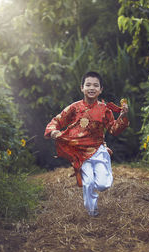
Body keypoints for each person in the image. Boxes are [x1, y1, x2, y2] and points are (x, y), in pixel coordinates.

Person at [44, 71, 129, 216]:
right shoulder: (74, 108)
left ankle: (104, 157)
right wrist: (53, 132)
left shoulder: (105, 109)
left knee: (103, 184)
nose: (91, 88)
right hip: (80, 154)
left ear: (101, 89)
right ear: (82, 88)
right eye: (88, 84)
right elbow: (57, 120)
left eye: (96, 85)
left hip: (98, 151)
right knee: (88, 183)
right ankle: (92, 213)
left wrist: (123, 117)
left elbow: (114, 130)